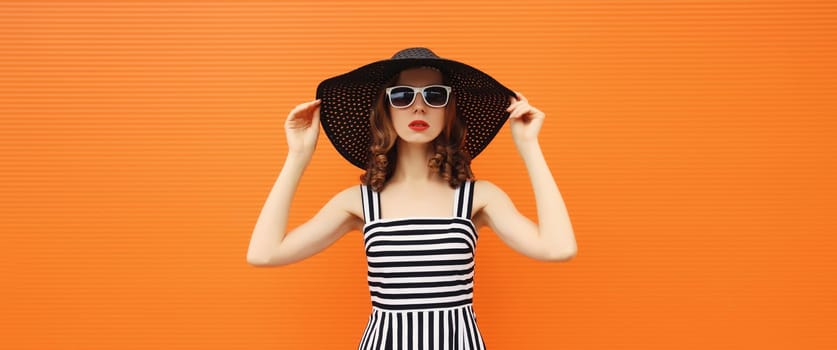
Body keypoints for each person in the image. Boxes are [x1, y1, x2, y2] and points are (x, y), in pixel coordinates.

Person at [247, 47, 577, 350]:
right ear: (385, 110)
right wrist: (298, 156)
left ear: (449, 110)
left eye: (434, 95)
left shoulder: (479, 198)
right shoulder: (360, 202)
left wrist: (530, 147)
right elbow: (264, 254)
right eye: (403, 95)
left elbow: (558, 247)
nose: (419, 106)